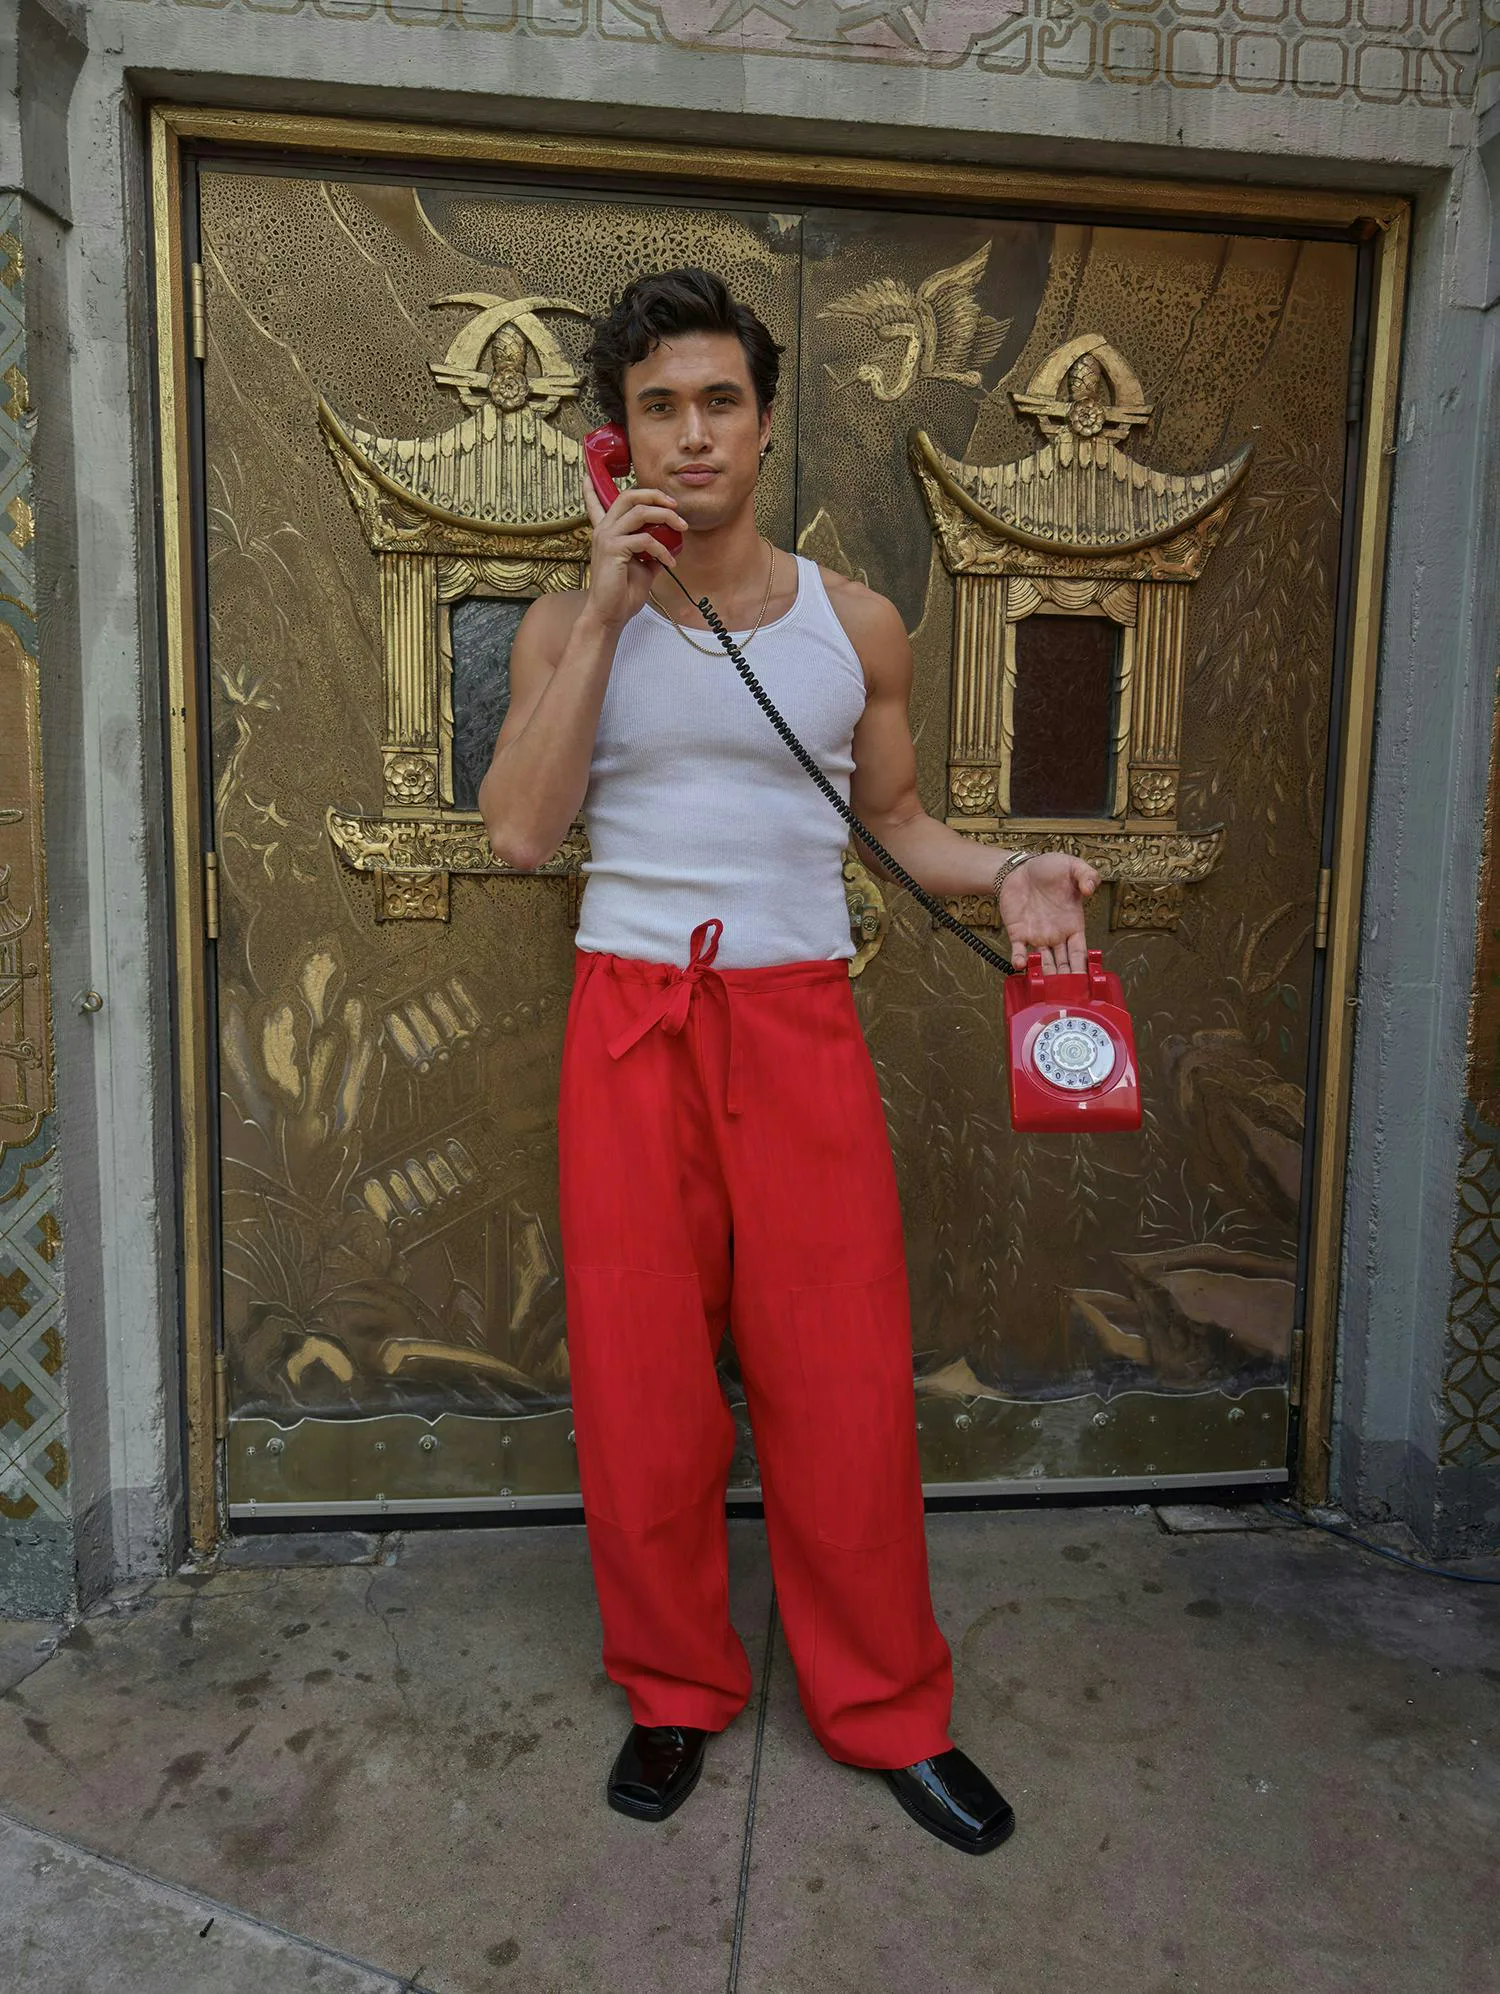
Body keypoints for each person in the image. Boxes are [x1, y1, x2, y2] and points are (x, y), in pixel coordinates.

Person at [479, 268, 1097, 1856]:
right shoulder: (568, 624)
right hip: (632, 1027)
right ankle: (675, 1684)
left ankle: (888, 1704)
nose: (692, 434)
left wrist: (1014, 872)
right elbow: (521, 832)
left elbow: (898, 823)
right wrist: (606, 611)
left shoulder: (853, 625)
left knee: (840, 1382)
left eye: (720, 401)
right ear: (618, 441)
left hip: (797, 1023)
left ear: (764, 421)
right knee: (643, 1388)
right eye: (658, 408)